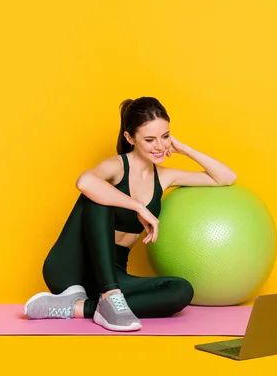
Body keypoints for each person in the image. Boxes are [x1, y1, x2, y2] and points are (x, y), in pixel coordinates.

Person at [23, 96, 237, 332]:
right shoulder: (116, 166)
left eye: (164, 137)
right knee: (99, 194)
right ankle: (108, 297)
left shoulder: (165, 177)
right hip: (71, 266)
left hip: (111, 273)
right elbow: (85, 182)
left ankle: (80, 308)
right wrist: (138, 206)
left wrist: (183, 149)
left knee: (181, 290)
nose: (159, 146)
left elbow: (225, 178)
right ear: (129, 138)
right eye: (149, 139)